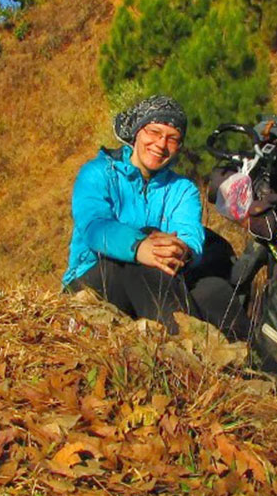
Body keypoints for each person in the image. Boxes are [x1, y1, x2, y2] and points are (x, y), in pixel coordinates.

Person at [62, 95, 247, 336]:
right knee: (141, 251)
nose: (161, 144)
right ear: (137, 132)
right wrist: (139, 247)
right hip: (96, 280)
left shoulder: (183, 189)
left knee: (212, 289)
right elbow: (94, 228)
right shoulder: (96, 173)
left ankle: (255, 366)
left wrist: (182, 251)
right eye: (154, 132)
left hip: (160, 280)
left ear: (179, 146)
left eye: (172, 139)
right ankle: (188, 350)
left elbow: (189, 234)